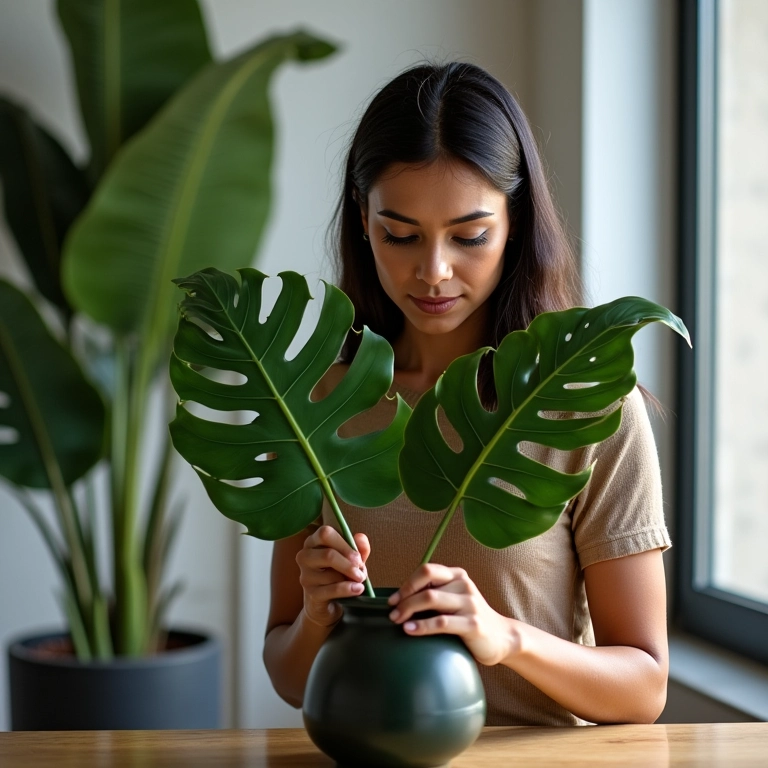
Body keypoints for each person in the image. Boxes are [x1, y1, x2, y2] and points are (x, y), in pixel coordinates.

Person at [263, 62, 670, 726]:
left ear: (515, 223)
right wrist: (315, 618)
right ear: (363, 219)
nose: (433, 271)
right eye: (400, 235)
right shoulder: (313, 406)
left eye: (470, 236)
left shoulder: (586, 409)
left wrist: (506, 637)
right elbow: (286, 676)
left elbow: (645, 686)